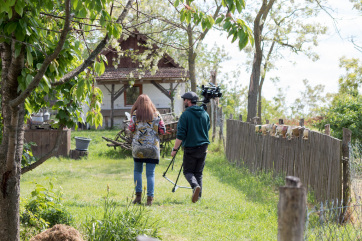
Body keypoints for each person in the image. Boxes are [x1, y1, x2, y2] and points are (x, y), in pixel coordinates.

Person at [171, 91, 210, 203]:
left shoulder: (185, 115)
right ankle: (198, 197)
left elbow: (180, 135)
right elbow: (207, 128)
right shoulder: (205, 114)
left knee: (187, 171)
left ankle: (195, 186)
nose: (184, 102)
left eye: (184, 100)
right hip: (203, 147)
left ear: (188, 101)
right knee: (198, 173)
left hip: (191, 147)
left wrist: (174, 149)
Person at [128, 94, 166, 206]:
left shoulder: (135, 115)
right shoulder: (156, 115)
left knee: (137, 171)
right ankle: (149, 199)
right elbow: (162, 130)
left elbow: (131, 128)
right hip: (152, 147)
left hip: (138, 147)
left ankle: (138, 197)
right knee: (150, 174)